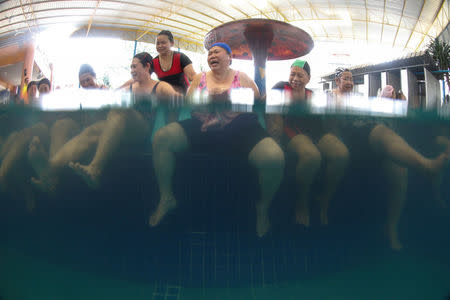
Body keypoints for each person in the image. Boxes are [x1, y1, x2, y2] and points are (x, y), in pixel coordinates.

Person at [150, 42, 285, 237]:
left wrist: (229, 101)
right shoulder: (198, 79)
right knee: (162, 138)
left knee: (274, 157)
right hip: (203, 126)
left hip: (241, 126)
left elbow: (256, 103)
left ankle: (262, 207)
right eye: (209, 53)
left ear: (229, 57)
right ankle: (166, 197)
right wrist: (207, 103)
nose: (211, 55)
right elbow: (188, 104)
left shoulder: (242, 77)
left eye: (216, 52)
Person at [331, 67, 449, 250]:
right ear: (337, 81)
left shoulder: (357, 99)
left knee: (400, 170)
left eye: (351, 79)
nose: (349, 82)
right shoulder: (332, 96)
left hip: (366, 138)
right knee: (381, 131)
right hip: (348, 140)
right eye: (345, 79)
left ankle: (390, 227)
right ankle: (428, 167)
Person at [69, 52, 179, 188]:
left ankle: (95, 168)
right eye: (130, 68)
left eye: (134, 67)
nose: (131, 70)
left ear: (147, 66)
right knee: (92, 130)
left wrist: (170, 125)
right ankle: (51, 170)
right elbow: (109, 98)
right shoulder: (129, 88)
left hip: (142, 132)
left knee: (119, 108)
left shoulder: (160, 86)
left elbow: (177, 100)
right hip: (124, 131)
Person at [270, 60, 349, 226]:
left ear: (308, 78)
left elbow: (324, 121)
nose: (295, 78)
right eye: (292, 74)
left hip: (315, 132)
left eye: (300, 75)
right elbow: (267, 103)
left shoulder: (312, 95)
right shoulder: (280, 87)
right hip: (291, 132)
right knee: (312, 156)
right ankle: (302, 202)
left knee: (342, 154)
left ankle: (324, 200)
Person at [153, 30, 196, 94]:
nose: (160, 46)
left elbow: (194, 78)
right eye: (158, 43)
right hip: (165, 97)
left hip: (183, 96)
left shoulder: (181, 57)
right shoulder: (153, 62)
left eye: (163, 43)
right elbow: (146, 79)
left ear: (172, 43)